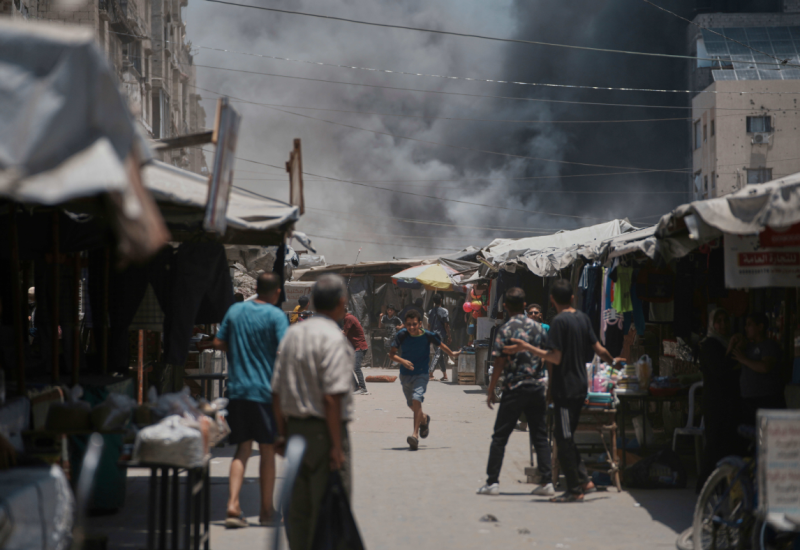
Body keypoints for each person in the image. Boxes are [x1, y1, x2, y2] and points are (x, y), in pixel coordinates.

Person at [504, 279, 622, 503]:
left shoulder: (559, 322)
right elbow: (599, 349)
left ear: (551, 301)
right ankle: (584, 479)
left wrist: (526, 347)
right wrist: (614, 362)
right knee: (565, 435)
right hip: (580, 386)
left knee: (564, 437)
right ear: (572, 298)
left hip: (566, 389)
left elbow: (554, 357)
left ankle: (576, 488)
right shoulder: (583, 318)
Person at [272, 275, 355, 550]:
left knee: (299, 511)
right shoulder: (335, 338)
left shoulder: (293, 334)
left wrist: (282, 434)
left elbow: (275, 392)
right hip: (325, 434)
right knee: (330, 509)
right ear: (342, 303)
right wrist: (335, 446)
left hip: (295, 431)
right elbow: (332, 398)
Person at [213, 273, 288, 527]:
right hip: (264, 394)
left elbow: (218, 341)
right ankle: (266, 512)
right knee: (267, 450)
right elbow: (285, 350)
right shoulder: (277, 316)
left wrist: (239, 348)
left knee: (242, 449)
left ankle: (233, 505)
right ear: (277, 292)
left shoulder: (235, 311)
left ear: (255, 288)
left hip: (237, 391)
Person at [477, 288, 553, 497]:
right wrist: (551, 387)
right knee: (540, 435)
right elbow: (549, 357)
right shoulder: (539, 329)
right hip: (537, 387)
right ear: (524, 305)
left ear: (505, 307)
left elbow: (499, 362)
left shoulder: (506, 329)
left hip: (514, 388)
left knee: (500, 436)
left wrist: (491, 391)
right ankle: (547, 482)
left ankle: (492, 483)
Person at [389, 310, 460, 450]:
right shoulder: (401, 335)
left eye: (414, 324)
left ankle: (414, 435)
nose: (411, 327)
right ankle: (424, 419)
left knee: (417, 399)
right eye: (408, 324)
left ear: (420, 323)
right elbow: (391, 354)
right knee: (412, 405)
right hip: (405, 375)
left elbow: (441, 345)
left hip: (421, 374)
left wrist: (452, 354)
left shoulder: (428, 335)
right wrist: (403, 361)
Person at [697, 308, 747, 491]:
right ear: (712, 324)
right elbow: (721, 369)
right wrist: (733, 350)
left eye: (726, 320)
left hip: (730, 402)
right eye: (718, 321)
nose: (723, 325)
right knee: (714, 444)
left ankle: (724, 485)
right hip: (715, 402)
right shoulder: (709, 344)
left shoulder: (727, 342)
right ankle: (706, 486)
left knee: (728, 443)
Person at [730, 312, 786, 426]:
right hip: (748, 401)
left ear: (760, 327)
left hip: (766, 400)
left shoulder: (769, 345)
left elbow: (765, 367)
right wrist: (733, 345)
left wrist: (744, 359)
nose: (746, 328)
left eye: (749, 324)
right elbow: (732, 366)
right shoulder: (748, 347)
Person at [342, 308, 369, 395]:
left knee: (356, 367)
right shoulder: (349, 317)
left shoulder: (348, 318)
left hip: (360, 347)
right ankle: (356, 387)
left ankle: (363, 388)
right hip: (355, 347)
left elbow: (344, 334)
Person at [427, 294, 452, 381]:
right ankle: (430, 373)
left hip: (433, 335)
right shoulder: (445, 311)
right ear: (441, 300)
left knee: (440, 355)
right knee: (438, 354)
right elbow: (446, 325)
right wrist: (449, 336)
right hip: (441, 335)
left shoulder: (430, 312)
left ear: (434, 302)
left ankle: (445, 374)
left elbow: (429, 325)